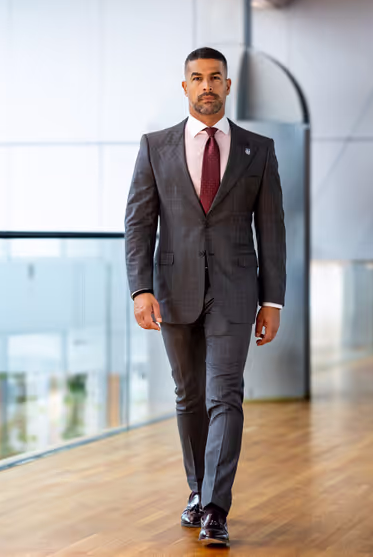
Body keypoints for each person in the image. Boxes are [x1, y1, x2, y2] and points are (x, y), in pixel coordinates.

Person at [124, 47, 287, 547]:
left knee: (225, 394)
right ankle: (197, 490)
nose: (207, 85)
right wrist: (140, 289)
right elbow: (139, 223)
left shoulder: (258, 150)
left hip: (236, 292)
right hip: (174, 289)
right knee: (189, 396)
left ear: (228, 85)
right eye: (197, 78)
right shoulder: (156, 146)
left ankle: (215, 508)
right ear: (185, 87)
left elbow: (272, 228)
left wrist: (272, 300)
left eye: (215, 77)